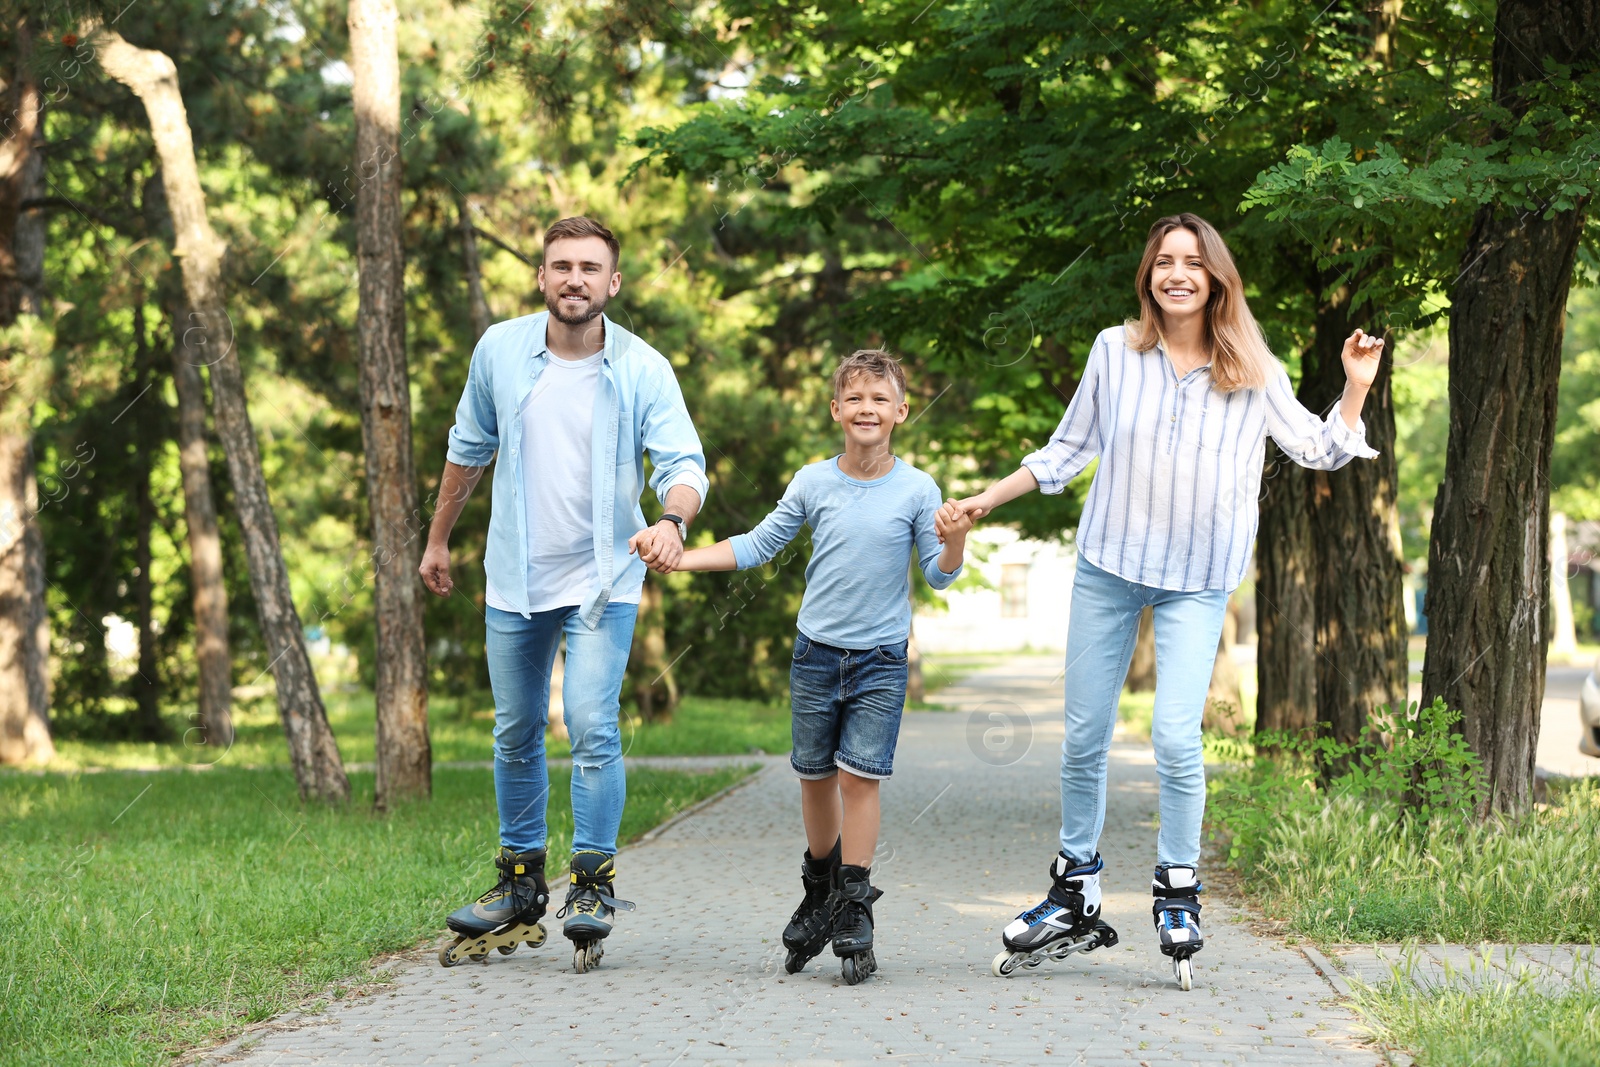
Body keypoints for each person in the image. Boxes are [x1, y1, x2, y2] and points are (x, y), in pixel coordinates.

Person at [947, 212, 1384, 990]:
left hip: (1199, 577)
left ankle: (1176, 887)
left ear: (1217, 277)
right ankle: (1075, 884)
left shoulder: (1253, 367)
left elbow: (1318, 450)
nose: (1176, 273)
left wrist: (1352, 389)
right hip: (1109, 566)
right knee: (1083, 736)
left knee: (1177, 740)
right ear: (1148, 275)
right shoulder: (1115, 352)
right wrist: (989, 497)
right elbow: (1066, 450)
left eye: (1192, 262)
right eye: (1163, 261)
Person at [420, 216, 708, 973]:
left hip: (604, 580)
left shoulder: (643, 366)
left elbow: (684, 461)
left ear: (613, 282)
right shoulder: (500, 351)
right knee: (514, 729)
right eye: (560, 266)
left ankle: (591, 881)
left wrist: (673, 519)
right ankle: (519, 882)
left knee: (590, 723)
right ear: (542, 278)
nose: (574, 278)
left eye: (589, 267)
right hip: (515, 577)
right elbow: (466, 448)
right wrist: (437, 538)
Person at [639, 349, 971, 984]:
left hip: (879, 659)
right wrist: (682, 559)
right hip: (816, 654)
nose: (866, 408)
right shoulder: (814, 481)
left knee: (859, 779)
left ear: (901, 411)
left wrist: (955, 535)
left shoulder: (918, 488)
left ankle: (854, 902)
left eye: (880, 399)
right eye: (855, 398)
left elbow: (938, 575)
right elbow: (761, 543)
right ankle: (819, 885)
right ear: (835, 410)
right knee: (814, 777)